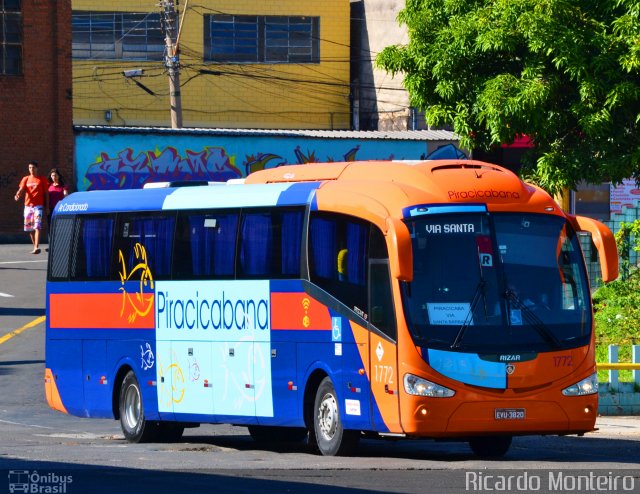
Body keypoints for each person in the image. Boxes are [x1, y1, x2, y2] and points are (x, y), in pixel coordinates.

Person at [14, 161, 49, 254]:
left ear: (37, 168)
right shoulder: (25, 179)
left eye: (33, 167)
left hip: (38, 207)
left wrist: (47, 207)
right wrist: (17, 194)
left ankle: (37, 246)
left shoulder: (42, 179)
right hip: (28, 207)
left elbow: (46, 193)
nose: (31, 169)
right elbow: (21, 189)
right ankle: (35, 247)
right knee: (29, 228)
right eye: (30, 168)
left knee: (37, 226)